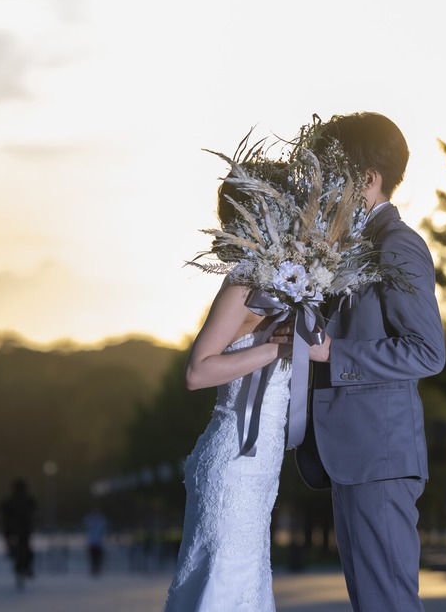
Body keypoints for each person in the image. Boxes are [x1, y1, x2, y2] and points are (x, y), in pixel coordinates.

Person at [275, 112, 446, 612]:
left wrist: (333, 353)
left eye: (334, 173)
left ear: (368, 179)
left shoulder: (398, 246)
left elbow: (428, 351)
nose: (324, 185)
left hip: (380, 456)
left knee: (388, 604)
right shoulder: (347, 247)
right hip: (351, 455)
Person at [161, 176, 295, 612]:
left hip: (259, 465)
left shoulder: (286, 284)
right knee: (226, 587)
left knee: (244, 588)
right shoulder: (243, 282)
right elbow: (198, 371)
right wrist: (276, 348)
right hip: (234, 461)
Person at [0, 478, 37, 589]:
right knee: (27, 550)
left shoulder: (9, 501)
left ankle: (16, 558)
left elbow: (2, 515)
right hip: (22, 530)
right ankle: (27, 567)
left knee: (18, 548)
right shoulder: (28, 501)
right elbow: (34, 514)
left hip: (14, 531)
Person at [82, 506, 109, 577]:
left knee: (94, 558)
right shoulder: (100, 521)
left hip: (95, 542)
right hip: (96, 543)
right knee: (96, 558)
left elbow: (85, 522)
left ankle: (95, 569)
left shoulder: (91, 520)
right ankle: (96, 569)